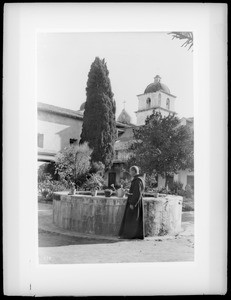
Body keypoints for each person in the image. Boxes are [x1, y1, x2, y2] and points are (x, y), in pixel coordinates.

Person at [118, 166, 145, 239]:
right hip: (136, 201)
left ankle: (128, 235)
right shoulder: (139, 179)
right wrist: (129, 191)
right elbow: (135, 191)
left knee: (130, 219)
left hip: (135, 202)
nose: (130, 173)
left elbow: (137, 193)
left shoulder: (138, 180)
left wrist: (133, 204)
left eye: (130, 171)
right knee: (134, 219)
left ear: (134, 171)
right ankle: (134, 235)